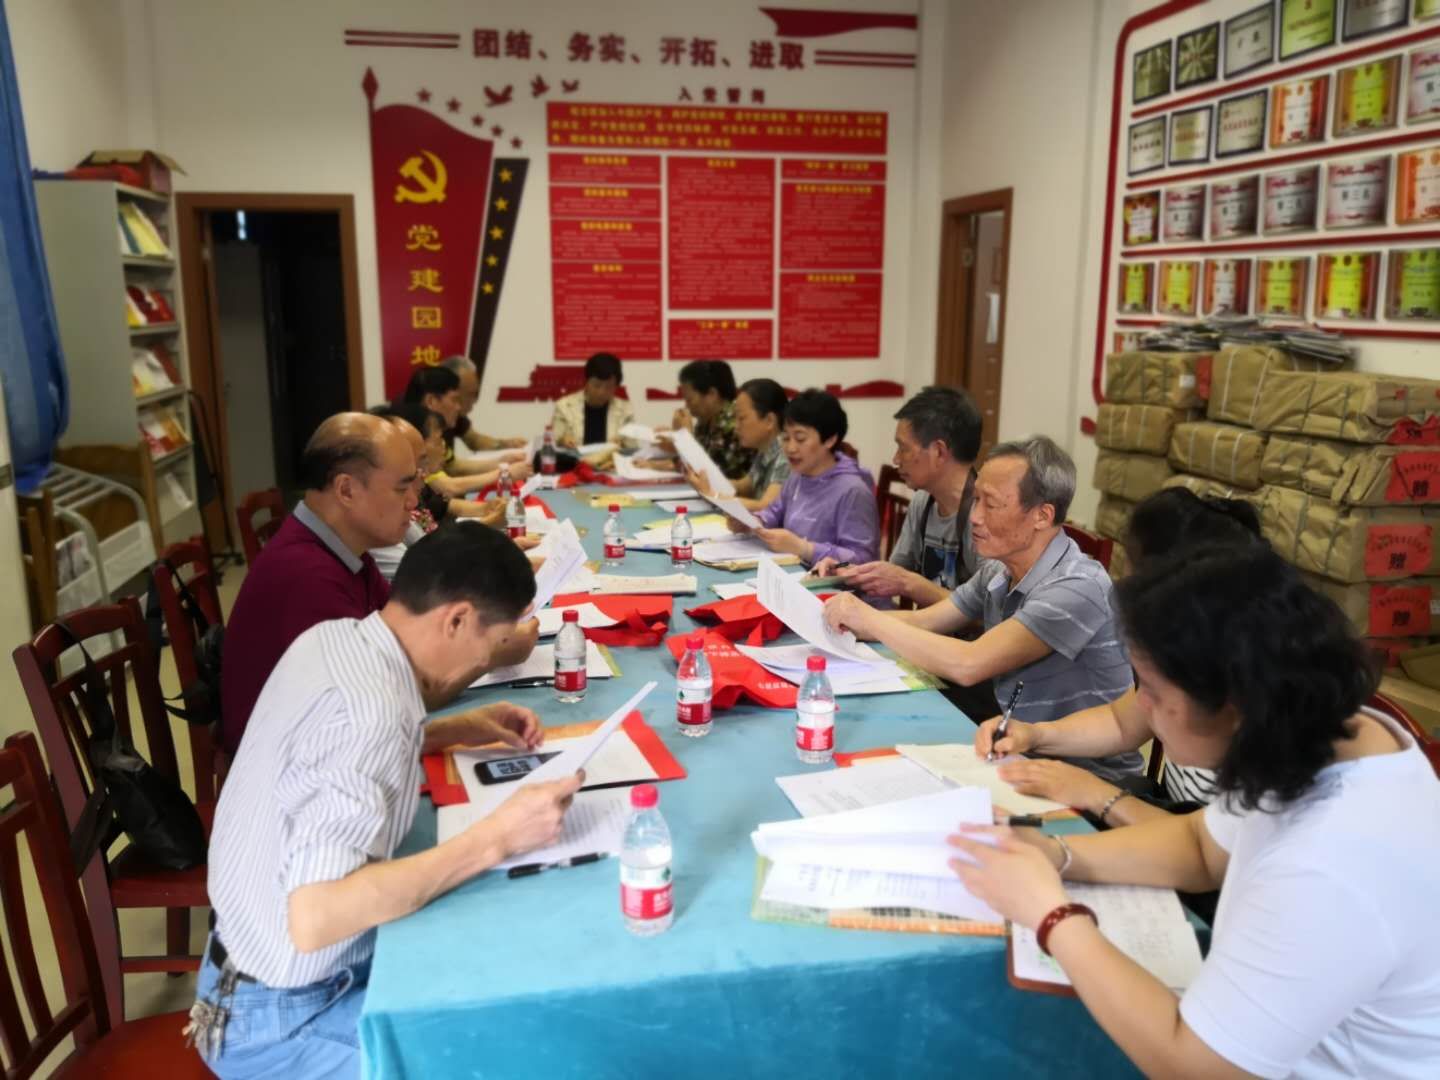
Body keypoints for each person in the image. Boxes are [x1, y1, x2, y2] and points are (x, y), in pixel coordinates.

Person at [950, 544, 1440, 1079]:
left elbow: (1195, 1066)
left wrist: (1052, 915)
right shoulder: (1318, 732)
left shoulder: (1331, 861)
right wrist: (1060, 854)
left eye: (1154, 692)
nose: (1140, 707)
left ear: (1231, 706)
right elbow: (1202, 848)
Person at [194, 526, 585, 1077]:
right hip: (281, 1023)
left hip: (243, 972)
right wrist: (498, 837)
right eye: (495, 644)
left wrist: (448, 730)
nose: (487, 661)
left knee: (498, 968)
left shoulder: (336, 639)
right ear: (456, 619)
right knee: (516, 1053)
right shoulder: (369, 718)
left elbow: (321, 754)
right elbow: (316, 916)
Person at [823, 436, 1138, 779]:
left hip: (1084, 775)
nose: (974, 517)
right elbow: (925, 621)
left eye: (991, 504)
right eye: (975, 499)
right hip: (1014, 748)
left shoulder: (1076, 587)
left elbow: (968, 664)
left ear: (1042, 515)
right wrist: (835, 615)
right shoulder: (1000, 569)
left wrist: (867, 618)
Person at [978, 488, 1265, 827]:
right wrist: (1034, 734)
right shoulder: (1193, 659)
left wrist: (1094, 793)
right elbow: (1120, 721)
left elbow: (1198, 846)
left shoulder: (1265, 738)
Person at [220, 413, 415, 756]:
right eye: (402, 488)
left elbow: (403, 632)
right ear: (346, 490)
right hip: (288, 770)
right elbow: (377, 699)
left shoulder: (345, 550)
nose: (413, 501)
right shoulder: (307, 575)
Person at [813, 386, 983, 605]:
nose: (895, 459)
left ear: (939, 451)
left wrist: (908, 582)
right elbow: (894, 574)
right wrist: (845, 572)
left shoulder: (984, 517)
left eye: (903, 448)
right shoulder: (923, 502)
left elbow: (988, 614)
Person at [742, 389, 879, 566]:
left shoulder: (853, 491)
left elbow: (863, 558)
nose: (790, 448)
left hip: (833, 582)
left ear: (830, 439)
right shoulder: (797, 476)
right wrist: (754, 522)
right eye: (786, 438)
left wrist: (805, 548)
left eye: (800, 439)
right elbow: (774, 512)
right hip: (795, 570)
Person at [403, 367, 529, 498]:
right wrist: (505, 473)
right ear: (431, 401)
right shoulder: (412, 433)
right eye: (454, 399)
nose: (459, 407)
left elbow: (454, 466)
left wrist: (503, 462)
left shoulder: (432, 428)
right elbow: (446, 487)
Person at [687, 377, 789, 510]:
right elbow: (745, 486)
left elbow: (766, 507)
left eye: (741, 418)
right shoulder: (766, 448)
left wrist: (713, 495)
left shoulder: (787, 452)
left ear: (769, 420)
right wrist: (708, 483)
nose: (736, 427)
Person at [670, 359, 754, 479]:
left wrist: (686, 437)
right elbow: (685, 465)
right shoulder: (706, 421)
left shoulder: (733, 424)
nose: (686, 406)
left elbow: (708, 474)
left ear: (712, 394)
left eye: (689, 400)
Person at [440, 354, 527, 455]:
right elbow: (452, 464)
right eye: (470, 394)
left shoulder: (455, 414)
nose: (475, 401)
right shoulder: (429, 423)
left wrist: (507, 444)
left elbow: (474, 440)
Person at [551, 352, 634, 448]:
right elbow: (553, 443)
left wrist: (622, 445)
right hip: (575, 457)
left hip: (610, 458)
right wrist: (562, 441)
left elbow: (632, 448)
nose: (601, 392)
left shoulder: (625, 410)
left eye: (608, 387)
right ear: (586, 382)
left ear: (616, 386)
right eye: (596, 385)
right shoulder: (564, 406)